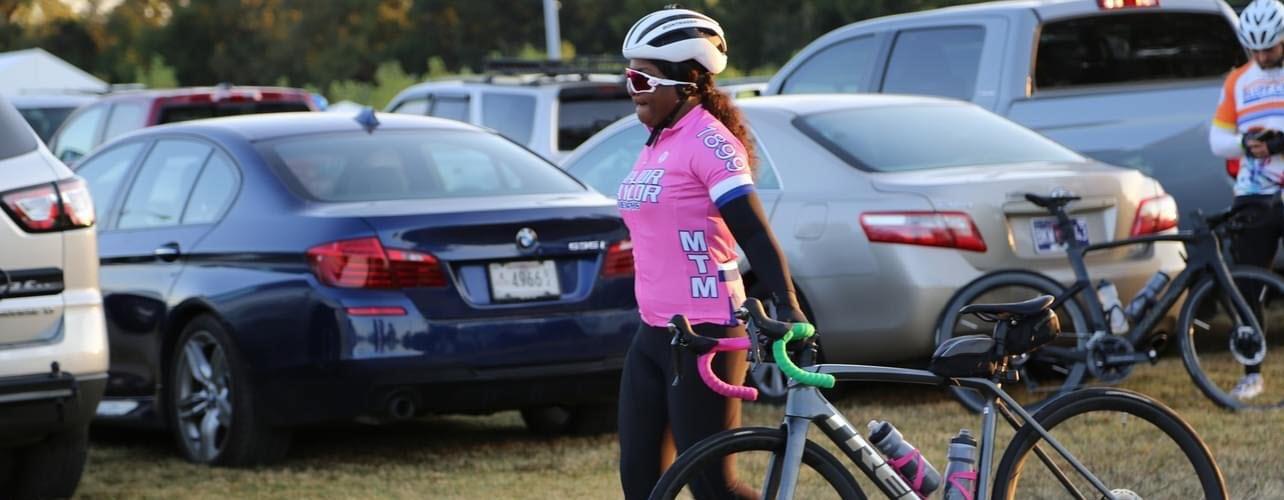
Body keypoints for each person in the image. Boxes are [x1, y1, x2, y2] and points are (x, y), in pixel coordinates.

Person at [614, 6, 810, 499]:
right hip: (655, 330)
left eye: (640, 79)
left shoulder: (710, 142)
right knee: (640, 481)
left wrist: (789, 306)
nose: (630, 89)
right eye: (628, 76)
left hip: (706, 330)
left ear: (681, 84)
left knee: (712, 486)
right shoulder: (658, 139)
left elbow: (753, 230)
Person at [1208, 0, 1284, 400]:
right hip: (1254, 194)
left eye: (1269, 48)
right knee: (1247, 284)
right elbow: (1216, 139)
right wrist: (1244, 143)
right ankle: (1252, 372)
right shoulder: (1238, 80)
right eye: (1254, 49)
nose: (1261, 56)